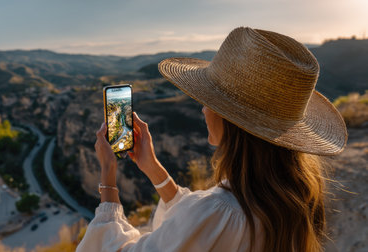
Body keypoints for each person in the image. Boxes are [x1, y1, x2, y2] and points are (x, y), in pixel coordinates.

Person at [76, 27, 347, 252]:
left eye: (210, 101)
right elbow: (199, 229)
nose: (203, 109)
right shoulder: (292, 198)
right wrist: (153, 168)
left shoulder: (218, 212)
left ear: (233, 121)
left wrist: (107, 177)